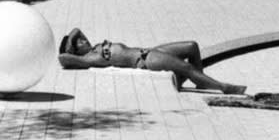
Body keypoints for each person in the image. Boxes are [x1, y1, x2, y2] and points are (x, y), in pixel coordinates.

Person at [58, 28, 247, 95]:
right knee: (186, 67)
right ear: (75, 50)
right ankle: (222, 87)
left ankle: (200, 81)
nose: (83, 39)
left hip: (148, 50)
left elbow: (76, 29)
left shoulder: (93, 48)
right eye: (79, 42)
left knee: (192, 46)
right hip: (145, 59)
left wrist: (71, 37)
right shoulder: (89, 58)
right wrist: (70, 49)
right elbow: (63, 58)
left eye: (81, 39)